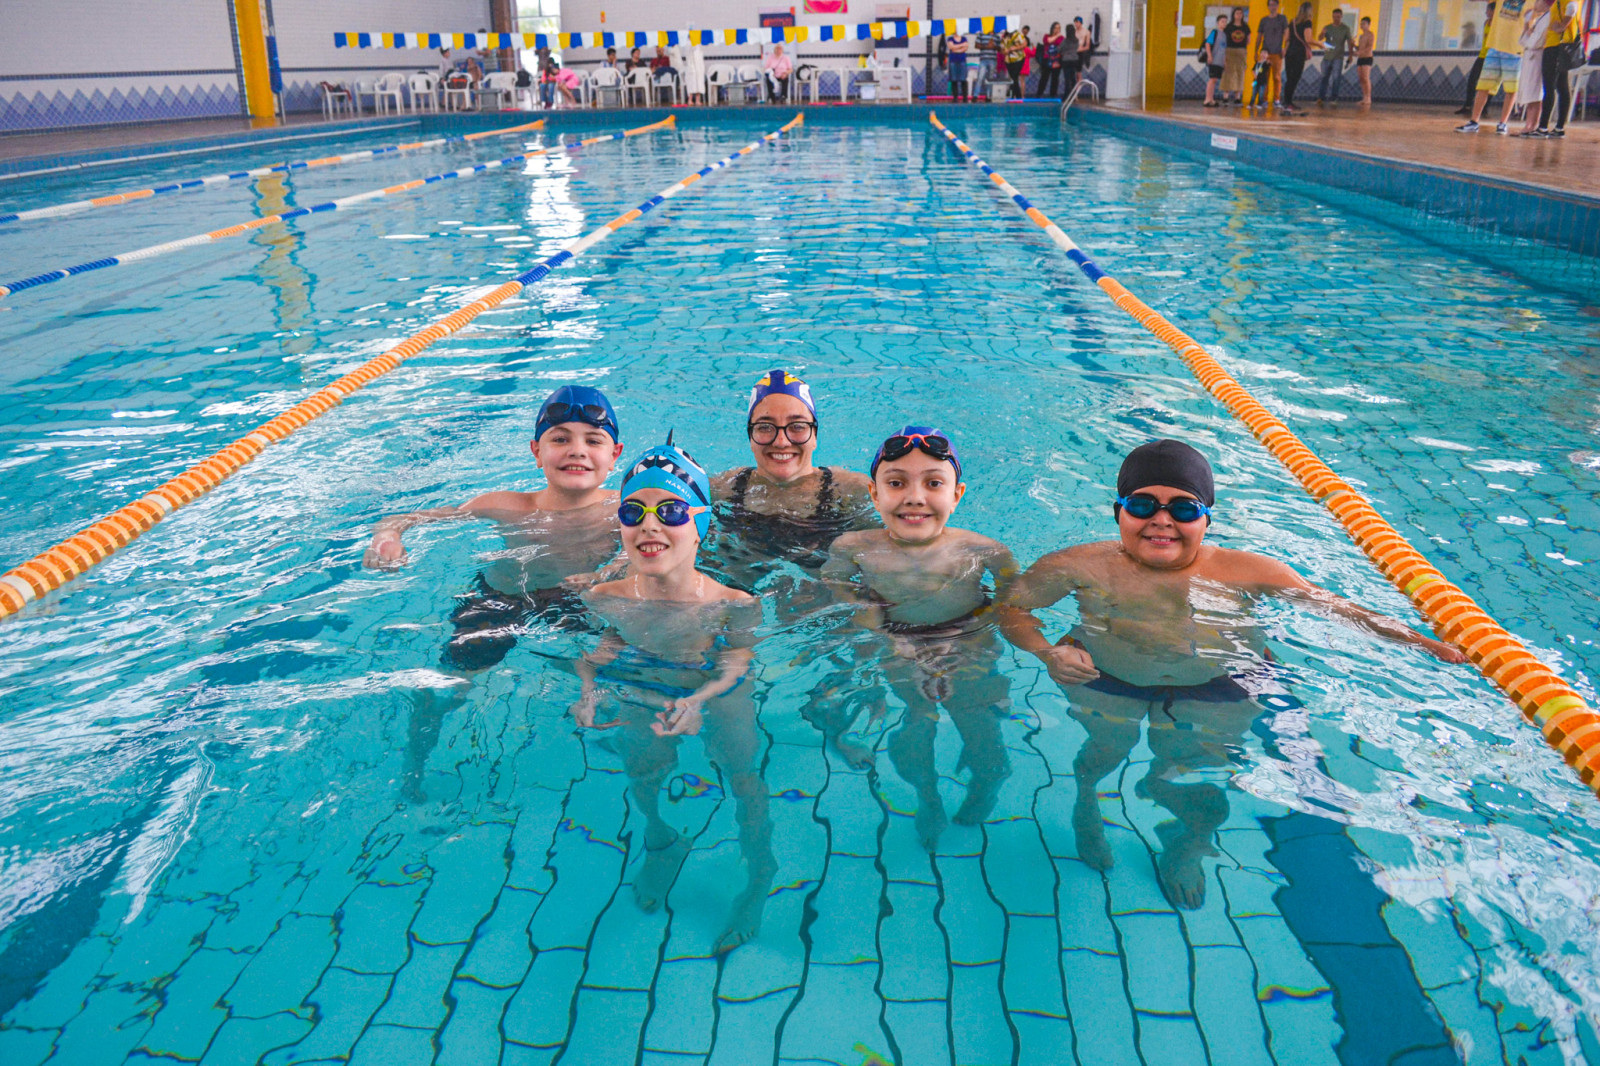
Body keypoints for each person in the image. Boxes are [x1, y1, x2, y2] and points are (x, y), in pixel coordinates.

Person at [996, 440, 1466, 909]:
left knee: (1199, 783)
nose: (1162, 520)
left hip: (1217, 689)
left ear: (1207, 519)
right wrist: (1047, 652)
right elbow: (1011, 608)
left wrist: (1428, 645)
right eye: (1142, 505)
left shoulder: (1248, 571)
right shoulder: (1076, 565)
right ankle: (1086, 801)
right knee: (1103, 751)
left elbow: (1343, 611)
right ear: (1118, 511)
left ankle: (1189, 844)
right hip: (1104, 676)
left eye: (1183, 509)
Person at [364, 385, 625, 799]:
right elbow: (403, 518)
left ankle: (604, 733)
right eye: (560, 439)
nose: (577, 450)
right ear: (536, 451)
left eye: (593, 441)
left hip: (579, 602)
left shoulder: (628, 509)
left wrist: (612, 570)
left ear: (615, 455)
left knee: (616, 667)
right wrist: (386, 538)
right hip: (501, 601)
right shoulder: (505, 505)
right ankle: (415, 763)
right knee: (450, 687)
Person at [568, 438, 772, 954]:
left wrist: (702, 699)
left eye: (672, 511)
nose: (650, 526)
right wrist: (588, 690)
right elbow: (601, 651)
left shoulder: (734, 604)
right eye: (633, 511)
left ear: (700, 524)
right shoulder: (605, 597)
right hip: (643, 680)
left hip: (712, 683)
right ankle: (660, 841)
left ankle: (758, 874)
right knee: (642, 769)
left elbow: (737, 663)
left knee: (743, 774)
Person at [822, 428, 1017, 846]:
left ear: (956, 494)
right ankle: (926, 793)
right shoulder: (853, 547)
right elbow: (835, 585)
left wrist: (976, 640)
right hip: (897, 639)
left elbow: (1013, 601)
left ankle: (989, 778)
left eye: (933, 483)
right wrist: (874, 623)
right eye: (896, 483)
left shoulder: (985, 550)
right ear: (874, 494)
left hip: (967, 638)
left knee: (979, 722)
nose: (914, 497)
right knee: (917, 718)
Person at [710, 370, 875, 574]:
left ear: (814, 436)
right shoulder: (723, 489)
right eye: (765, 427)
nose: (781, 442)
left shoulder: (851, 489)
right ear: (751, 437)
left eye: (797, 426)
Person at [1458, 0, 1527, 132]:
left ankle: (1503, 123)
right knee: (1483, 86)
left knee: (1511, 89)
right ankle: (1474, 121)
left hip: (1515, 50)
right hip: (1494, 47)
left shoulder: (1530, 2)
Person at [1533, 0, 1580, 136]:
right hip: (1563, 46)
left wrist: (1561, 26)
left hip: (1555, 46)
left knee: (1549, 86)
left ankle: (1543, 127)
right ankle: (1559, 127)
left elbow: (1572, 7)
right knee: (1562, 86)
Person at [1513, 0, 1554, 134]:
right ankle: (1529, 123)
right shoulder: (1540, 18)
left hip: (1536, 56)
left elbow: (1536, 41)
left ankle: (1532, 125)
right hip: (1530, 55)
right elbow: (1526, 39)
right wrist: (1528, 24)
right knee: (1530, 89)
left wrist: (1530, 31)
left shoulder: (1548, 18)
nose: (1535, 4)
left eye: (1538, 1)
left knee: (1534, 91)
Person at [1458, 4, 1496, 115]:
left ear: (1494, 11)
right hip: (1482, 55)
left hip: (1492, 57)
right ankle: (1468, 105)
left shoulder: (1497, 25)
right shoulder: (1486, 23)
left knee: (1489, 84)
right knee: (1472, 80)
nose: (1486, 13)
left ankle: (1485, 107)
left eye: (1488, 10)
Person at [1282, 1, 1317, 112]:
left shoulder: (1292, 22)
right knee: (1295, 78)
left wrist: (1285, 49)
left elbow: (1286, 38)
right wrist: (1321, 44)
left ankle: (1286, 102)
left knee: (1289, 79)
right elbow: (1308, 39)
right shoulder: (1307, 22)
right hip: (1299, 53)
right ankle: (1288, 103)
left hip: (1289, 53)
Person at [1254, 0, 1289, 110]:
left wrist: (1285, 48)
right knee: (1264, 77)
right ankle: (1263, 99)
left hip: (1277, 52)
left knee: (1277, 77)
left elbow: (1287, 34)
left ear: (1278, 6)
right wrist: (1256, 51)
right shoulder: (1264, 20)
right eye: (1271, 5)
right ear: (1268, 6)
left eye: (1274, 5)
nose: (1273, 7)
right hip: (1265, 53)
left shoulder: (1282, 19)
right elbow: (1259, 36)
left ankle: (1276, 100)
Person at [1316, 7, 1354, 105]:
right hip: (1327, 57)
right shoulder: (1328, 27)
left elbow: (1350, 42)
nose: (1336, 19)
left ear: (1341, 17)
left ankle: (1334, 98)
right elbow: (1319, 39)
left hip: (1338, 57)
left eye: (1338, 17)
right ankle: (1321, 97)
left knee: (1336, 78)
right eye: (1334, 17)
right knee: (1324, 77)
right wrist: (1322, 33)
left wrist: (1350, 55)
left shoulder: (1345, 29)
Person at [1221, 8, 1252, 104]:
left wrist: (1241, 46)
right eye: (1237, 13)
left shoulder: (1245, 27)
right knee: (1228, 73)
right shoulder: (1229, 27)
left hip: (1241, 51)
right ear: (1233, 15)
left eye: (1240, 13)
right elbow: (1223, 39)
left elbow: (1249, 39)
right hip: (1230, 50)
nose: (1239, 15)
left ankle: (1237, 97)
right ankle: (1225, 96)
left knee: (1240, 73)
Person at [1202, 14, 1229, 107]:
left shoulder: (1224, 35)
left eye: (1225, 22)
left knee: (1215, 80)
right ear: (1218, 23)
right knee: (1212, 79)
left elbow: (1224, 49)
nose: (1224, 23)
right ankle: (1207, 99)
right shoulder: (1215, 32)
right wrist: (1209, 56)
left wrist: (1224, 62)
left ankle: (1211, 99)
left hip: (1220, 61)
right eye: (1222, 21)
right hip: (1214, 59)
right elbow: (1208, 44)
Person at [1038, 23, 1065, 98]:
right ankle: (1039, 94)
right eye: (1056, 28)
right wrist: (1057, 36)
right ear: (1052, 28)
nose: (1058, 30)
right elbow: (1048, 41)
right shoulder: (1046, 36)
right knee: (1044, 77)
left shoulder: (1061, 38)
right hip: (1047, 60)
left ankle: (1053, 95)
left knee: (1055, 78)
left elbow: (1061, 44)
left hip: (1057, 61)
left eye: (1059, 28)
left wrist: (1057, 37)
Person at [1354, 16, 1377, 106]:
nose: (1362, 25)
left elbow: (1369, 47)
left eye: (1364, 24)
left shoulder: (1370, 35)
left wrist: (1360, 52)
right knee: (1361, 78)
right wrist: (1353, 45)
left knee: (1366, 78)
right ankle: (1364, 97)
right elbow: (1359, 48)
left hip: (1367, 58)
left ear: (1368, 24)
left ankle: (1368, 98)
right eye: (1361, 24)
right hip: (1360, 58)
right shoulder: (1361, 36)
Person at [1001, 26, 1028, 98]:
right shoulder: (1005, 37)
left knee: (1014, 76)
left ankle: (1014, 95)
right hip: (1008, 61)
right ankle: (1014, 95)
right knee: (1013, 78)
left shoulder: (1018, 35)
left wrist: (1015, 48)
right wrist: (1005, 51)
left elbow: (1025, 44)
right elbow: (1002, 49)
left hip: (1018, 59)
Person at [947, 29, 972, 100]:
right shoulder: (950, 39)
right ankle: (955, 97)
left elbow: (965, 48)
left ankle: (965, 97)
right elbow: (951, 47)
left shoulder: (964, 38)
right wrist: (961, 46)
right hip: (953, 61)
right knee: (954, 79)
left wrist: (956, 49)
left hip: (962, 61)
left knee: (963, 79)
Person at [975, 28, 1000, 96]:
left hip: (993, 60)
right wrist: (987, 46)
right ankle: (976, 95)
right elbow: (976, 45)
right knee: (980, 77)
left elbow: (999, 48)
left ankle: (988, 95)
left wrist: (993, 46)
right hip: (983, 59)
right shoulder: (981, 34)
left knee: (990, 78)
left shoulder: (997, 36)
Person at [1061, 23, 1082, 92]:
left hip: (1066, 60)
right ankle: (1073, 93)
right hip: (1074, 60)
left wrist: (1064, 52)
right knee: (1073, 78)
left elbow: (1059, 49)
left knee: (1067, 78)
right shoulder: (1076, 40)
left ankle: (1067, 94)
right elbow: (1076, 48)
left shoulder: (1065, 41)